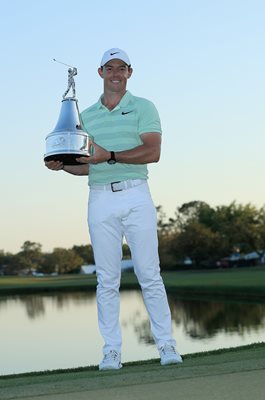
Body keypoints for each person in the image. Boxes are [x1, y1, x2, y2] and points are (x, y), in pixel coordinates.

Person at [45, 48, 182, 370]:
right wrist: (62, 166)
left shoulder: (143, 107)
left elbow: (152, 152)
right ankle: (111, 351)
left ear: (130, 73)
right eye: (110, 68)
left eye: (122, 68)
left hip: (136, 195)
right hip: (99, 198)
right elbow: (87, 166)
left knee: (150, 275)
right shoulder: (87, 116)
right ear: (101, 72)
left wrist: (110, 156)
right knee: (106, 280)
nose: (116, 73)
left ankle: (167, 346)